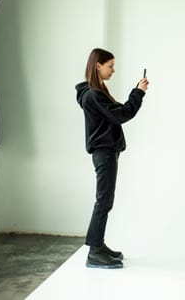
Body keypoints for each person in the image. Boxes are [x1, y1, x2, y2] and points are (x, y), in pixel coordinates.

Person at [75, 48, 148, 269]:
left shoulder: (96, 92)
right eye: (110, 66)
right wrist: (139, 92)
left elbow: (117, 113)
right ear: (98, 65)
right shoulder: (94, 95)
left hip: (106, 151)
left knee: (105, 200)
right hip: (104, 152)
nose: (113, 70)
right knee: (104, 201)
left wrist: (137, 93)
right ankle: (94, 252)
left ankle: (98, 245)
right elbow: (122, 114)